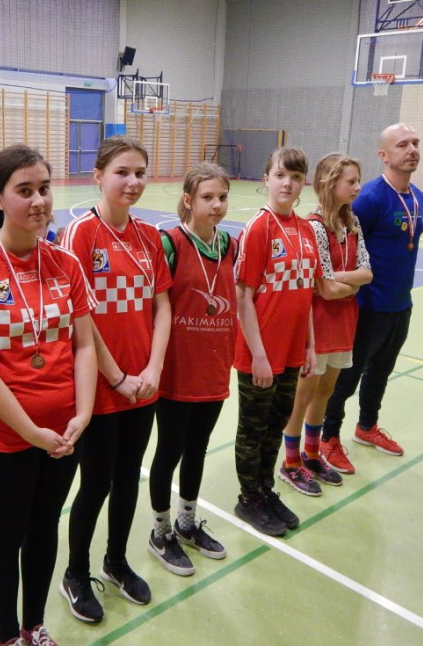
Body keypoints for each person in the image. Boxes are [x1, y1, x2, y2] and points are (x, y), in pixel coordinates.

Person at [0, 144, 97, 646]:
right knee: (6, 535)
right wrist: (31, 431)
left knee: (45, 528)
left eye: (44, 189)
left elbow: (84, 345)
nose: (39, 201)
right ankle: (7, 635)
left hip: (64, 432)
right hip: (3, 437)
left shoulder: (66, 263)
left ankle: (35, 626)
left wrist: (83, 413)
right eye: (25, 190)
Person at [59, 136, 172, 624]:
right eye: (122, 172)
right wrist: (117, 375)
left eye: (140, 172)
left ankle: (117, 561)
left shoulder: (149, 237)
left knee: (128, 480)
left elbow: (162, 307)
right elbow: (80, 318)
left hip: (142, 386)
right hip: (102, 387)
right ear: (98, 176)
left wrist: (153, 369)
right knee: (96, 484)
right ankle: (76, 573)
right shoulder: (81, 234)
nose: (133, 181)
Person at [147, 163, 236, 576]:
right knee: (170, 450)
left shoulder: (230, 245)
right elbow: (156, 310)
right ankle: (160, 531)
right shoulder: (170, 244)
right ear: (188, 200)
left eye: (222, 197)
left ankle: (186, 523)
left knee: (198, 449)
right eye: (207, 197)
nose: (216, 205)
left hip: (213, 369)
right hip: (176, 372)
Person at [321, 124, 423, 469]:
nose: (412, 149)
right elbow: (341, 239)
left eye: (415, 143)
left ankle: (366, 427)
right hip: (366, 307)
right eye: (402, 144)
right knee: (346, 378)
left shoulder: (418, 197)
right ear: (384, 154)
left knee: (381, 371)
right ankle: (327, 437)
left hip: (400, 304)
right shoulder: (369, 198)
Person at [233, 147, 321, 537]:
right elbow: (243, 296)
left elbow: (306, 296)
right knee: (252, 430)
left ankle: (266, 490)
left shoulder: (306, 231)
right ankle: (248, 498)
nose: (288, 183)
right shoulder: (260, 227)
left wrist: (310, 346)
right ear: (266, 178)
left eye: (296, 177)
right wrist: (258, 355)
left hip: (291, 351)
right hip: (261, 354)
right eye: (281, 175)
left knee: (275, 427)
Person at [280, 154, 372, 494]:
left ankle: (312, 453)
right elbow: (325, 289)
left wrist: (339, 279)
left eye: (358, 180)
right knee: (304, 393)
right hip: (316, 325)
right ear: (330, 184)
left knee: (326, 391)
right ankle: (291, 462)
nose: (358, 187)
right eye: (351, 181)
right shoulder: (315, 226)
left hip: (344, 322)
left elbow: (367, 272)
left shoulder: (353, 223)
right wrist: (347, 283)